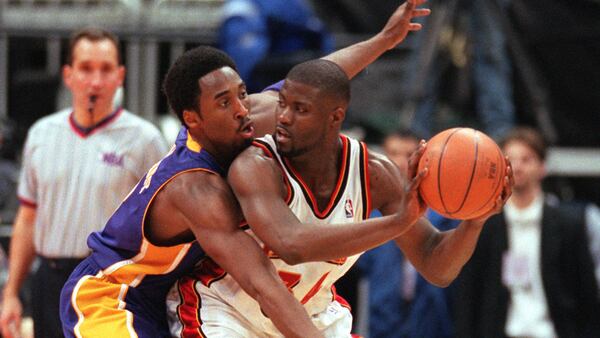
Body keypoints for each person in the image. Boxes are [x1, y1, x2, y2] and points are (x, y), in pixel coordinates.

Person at [167, 16, 513, 338]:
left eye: (299, 110)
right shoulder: (255, 164)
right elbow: (292, 245)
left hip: (312, 313)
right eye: (282, 104)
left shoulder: (374, 175)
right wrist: (398, 221)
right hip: (227, 313)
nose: (282, 117)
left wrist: (474, 220)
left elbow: (437, 265)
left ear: (335, 118)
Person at [0, 28, 168, 338]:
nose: (95, 80)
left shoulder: (146, 140)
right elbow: (27, 218)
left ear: (120, 76)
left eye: (105, 69)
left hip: (108, 282)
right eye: (86, 68)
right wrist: (11, 293)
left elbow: (162, 226)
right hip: (48, 280)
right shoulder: (41, 134)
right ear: (68, 75)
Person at [453, 126, 600, 338]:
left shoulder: (570, 225)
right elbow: (469, 297)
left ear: (542, 167)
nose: (518, 167)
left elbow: (586, 296)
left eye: (526, 159)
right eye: (510, 160)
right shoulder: (483, 226)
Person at [357, 129, 460, 338]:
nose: (401, 161)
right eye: (393, 153)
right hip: (382, 321)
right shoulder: (368, 213)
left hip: (434, 322)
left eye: (408, 154)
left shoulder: (447, 212)